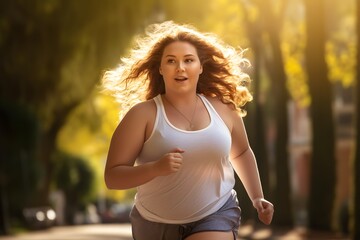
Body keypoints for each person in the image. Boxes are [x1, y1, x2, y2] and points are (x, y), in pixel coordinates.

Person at [102, 21, 274, 240]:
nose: (180, 67)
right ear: (161, 68)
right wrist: (155, 168)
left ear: (200, 67)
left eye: (188, 60)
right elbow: (113, 177)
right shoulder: (142, 115)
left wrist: (257, 197)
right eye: (171, 61)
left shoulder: (224, 109)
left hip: (216, 212)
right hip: (153, 223)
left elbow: (241, 152)